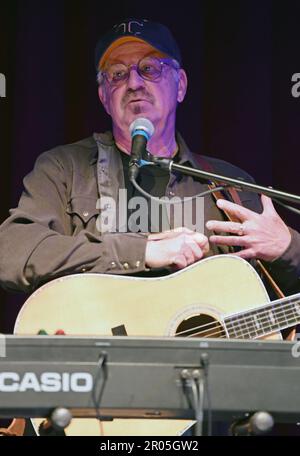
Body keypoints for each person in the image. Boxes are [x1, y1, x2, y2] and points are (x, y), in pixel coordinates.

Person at [0, 18, 300, 435]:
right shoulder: (65, 169)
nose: (135, 83)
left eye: (150, 69)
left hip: (207, 418)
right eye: (118, 74)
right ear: (105, 96)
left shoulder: (229, 186)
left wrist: (288, 247)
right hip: (90, 404)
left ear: (180, 85)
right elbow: (12, 252)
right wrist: (138, 252)